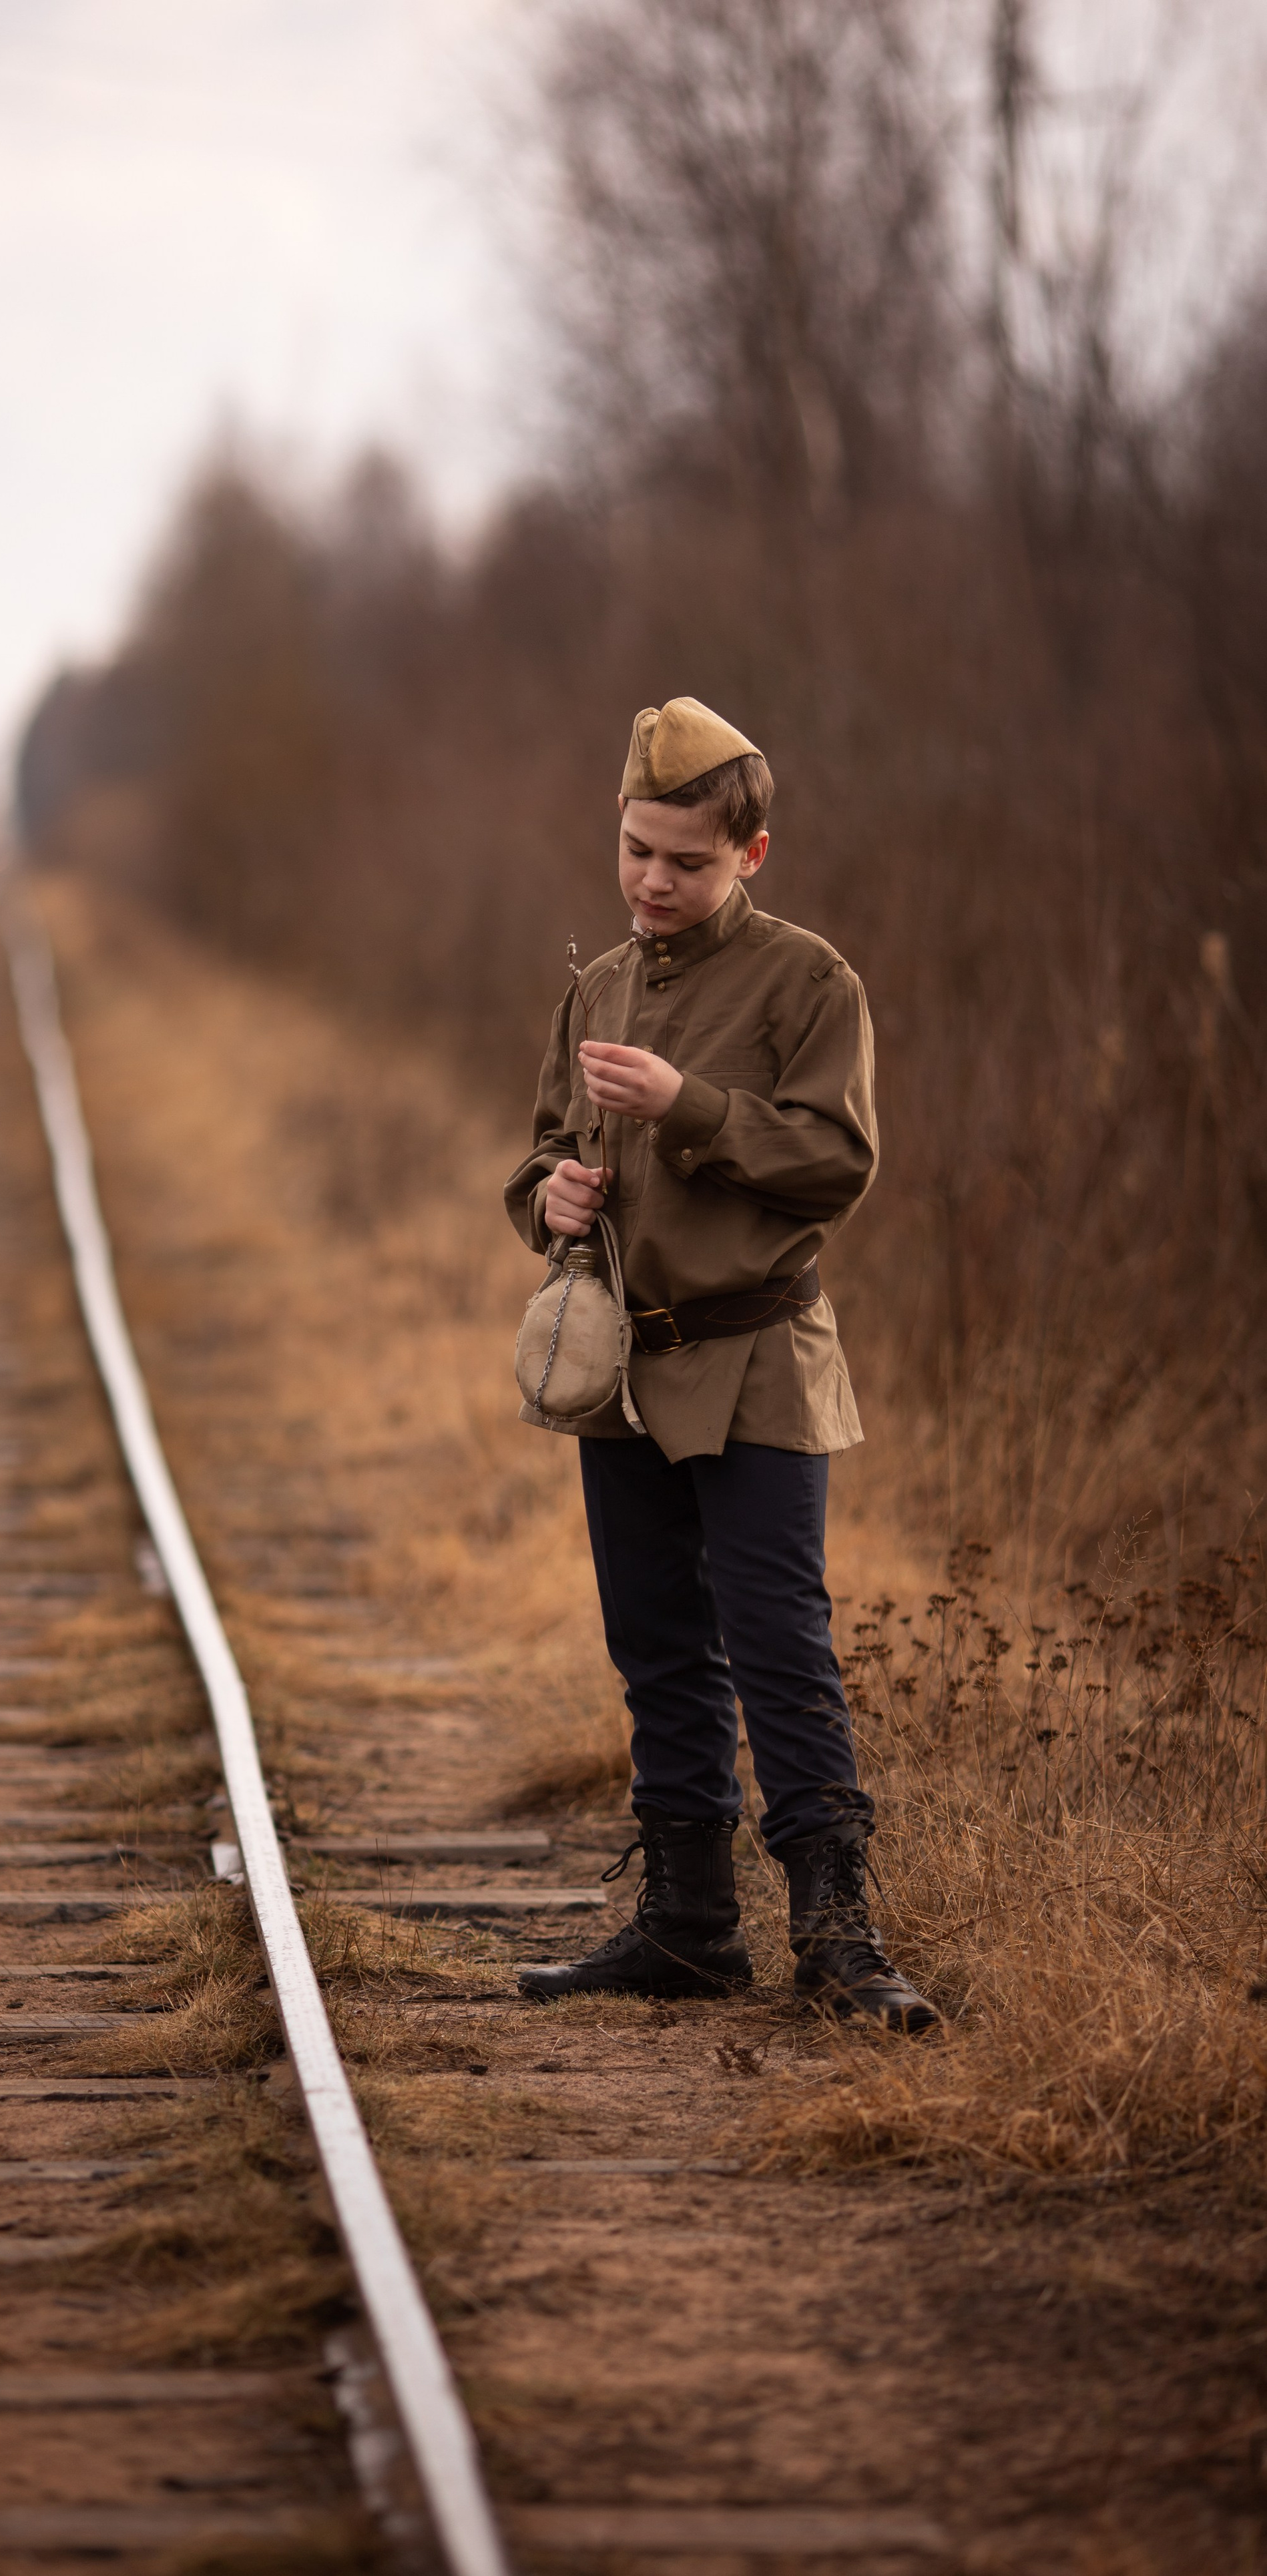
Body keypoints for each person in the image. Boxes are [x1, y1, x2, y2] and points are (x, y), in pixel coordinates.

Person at [503, 696, 935, 2033]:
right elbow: (534, 1154)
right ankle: (688, 1927)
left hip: (756, 1357)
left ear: (749, 854)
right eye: (634, 850)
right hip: (623, 1369)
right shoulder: (597, 982)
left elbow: (836, 1163)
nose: (650, 880)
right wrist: (546, 1203)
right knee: (653, 1647)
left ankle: (835, 1928)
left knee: (775, 1644)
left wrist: (686, 1108)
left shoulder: (810, 982)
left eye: (683, 861)